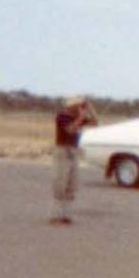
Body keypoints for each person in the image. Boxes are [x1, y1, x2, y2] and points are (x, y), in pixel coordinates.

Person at [51, 95, 97, 224]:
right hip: (62, 150)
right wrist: (81, 117)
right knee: (60, 182)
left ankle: (65, 215)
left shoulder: (76, 117)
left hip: (73, 150)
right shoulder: (62, 117)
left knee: (72, 183)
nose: (80, 108)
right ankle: (56, 214)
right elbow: (70, 130)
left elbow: (94, 123)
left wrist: (90, 109)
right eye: (79, 106)